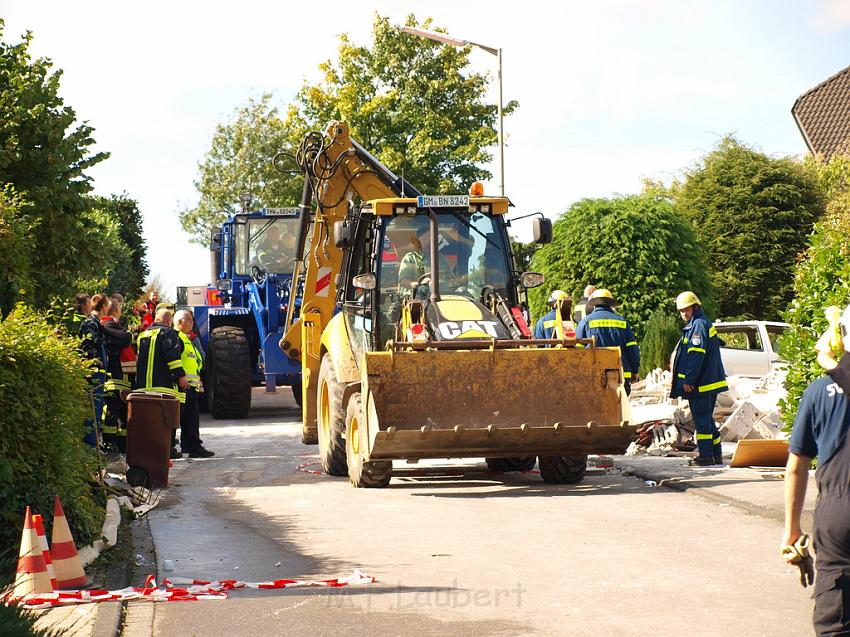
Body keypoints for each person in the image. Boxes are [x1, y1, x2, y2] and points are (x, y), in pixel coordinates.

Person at [783, 303, 850, 637]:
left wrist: (792, 530)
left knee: (834, 622)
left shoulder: (818, 391)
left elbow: (797, 466)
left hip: (839, 514)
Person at [670, 291, 728, 466]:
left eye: (686, 310)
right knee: (707, 421)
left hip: (701, 385)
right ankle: (716, 454)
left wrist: (689, 380)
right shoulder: (699, 323)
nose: (683, 314)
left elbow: (696, 355)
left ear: (695, 307)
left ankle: (705, 456)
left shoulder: (698, 326)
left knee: (702, 421)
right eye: (681, 311)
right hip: (707, 383)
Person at [134, 307, 187, 459]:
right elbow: (173, 358)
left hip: (143, 386)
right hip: (163, 385)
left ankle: (150, 449)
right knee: (166, 421)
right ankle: (166, 450)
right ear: (169, 321)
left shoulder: (142, 335)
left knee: (149, 422)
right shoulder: (168, 333)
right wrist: (181, 377)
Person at [576, 289, 641, 395]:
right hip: (621, 377)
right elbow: (632, 350)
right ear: (611, 304)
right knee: (619, 409)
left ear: (594, 304)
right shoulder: (623, 322)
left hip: (594, 376)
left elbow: (577, 351)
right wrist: (634, 370)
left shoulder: (585, 322)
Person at [173, 310, 214, 458]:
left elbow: (198, 359)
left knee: (189, 418)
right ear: (181, 322)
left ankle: (191, 446)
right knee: (178, 418)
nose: (192, 323)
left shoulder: (186, 337)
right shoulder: (178, 338)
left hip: (190, 385)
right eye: (189, 320)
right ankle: (178, 447)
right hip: (182, 385)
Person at [101, 298, 134, 452]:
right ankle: (110, 443)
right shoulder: (108, 323)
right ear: (115, 310)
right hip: (115, 376)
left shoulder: (113, 324)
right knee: (112, 411)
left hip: (122, 377)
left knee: (122, 412)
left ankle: (122, 444)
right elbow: (126, 339)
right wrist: (130, 334)